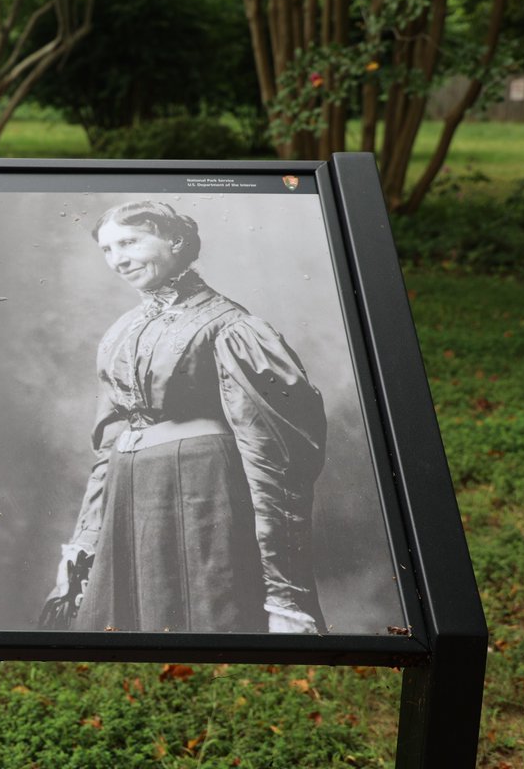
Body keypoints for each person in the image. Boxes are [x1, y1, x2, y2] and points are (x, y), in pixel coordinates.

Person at [41, 201, 327, 634]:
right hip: (130, 493)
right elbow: (108, 444)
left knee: (209, 616)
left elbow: (273, 459)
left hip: (203, 492)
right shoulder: (122, 331)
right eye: (107, 249)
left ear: (175, 241)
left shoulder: (230, 326)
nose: (118, 260)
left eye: (130, 242)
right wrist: (84, 544)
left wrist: (285, 593)